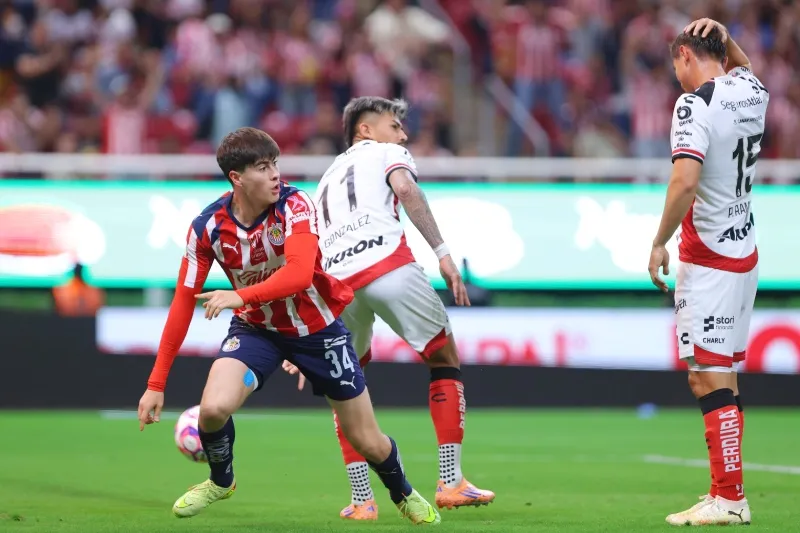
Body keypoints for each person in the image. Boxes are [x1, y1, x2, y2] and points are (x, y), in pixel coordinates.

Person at [136, 127, 440, 525]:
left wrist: (240, 296)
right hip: (256, 331)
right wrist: (156, 384)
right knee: (212, 410)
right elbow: (182, 301)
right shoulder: (206, 227)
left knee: (367, 441)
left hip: (318, 331)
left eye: (275, 163)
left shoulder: (295, 205)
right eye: (263, 167)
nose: (275, 174)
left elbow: (298, 274)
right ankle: (221, 481)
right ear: (237, 178)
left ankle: (402, 492)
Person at [283, 97, 495, 520]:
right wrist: (443, 253)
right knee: (443, 358)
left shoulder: (322, 181)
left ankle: (362, 500)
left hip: (338, 287)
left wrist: (308, 323)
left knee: (344, 385)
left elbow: (308, 251)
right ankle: (450, 481)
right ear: (365, 130)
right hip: (387, 266)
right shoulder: (385, 153)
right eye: (394, 125)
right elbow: (406, 189)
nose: (403, 134)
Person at [649, 18, 768, 526]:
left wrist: (659, 241)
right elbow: (744, 65)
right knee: (725, 377)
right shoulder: (753, 91)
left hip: (709, 258)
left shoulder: (693, 104)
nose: (676, 76)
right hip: (744, 252)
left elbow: (684, 181)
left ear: (684, 56)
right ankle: (725, 491)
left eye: (676, 65)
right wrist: (726, 36)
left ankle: (731, 499)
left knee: (706, 377)